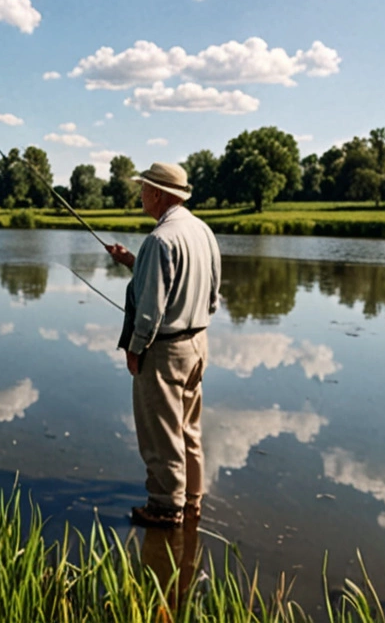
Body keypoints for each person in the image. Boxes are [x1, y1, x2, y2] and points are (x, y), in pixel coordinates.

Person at [106, 162, 221, 528]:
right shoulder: (202, 231)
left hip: (165, 350)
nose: (140, 194)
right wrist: (132, 263)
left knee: (161, 432)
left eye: (143, 188)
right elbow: (210, 296)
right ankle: (191, 500)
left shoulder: (160, 239)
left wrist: (135, 349)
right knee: (188, 428)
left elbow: (152, 308)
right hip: (198, 344)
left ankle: (165, 507)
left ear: (157, 194)